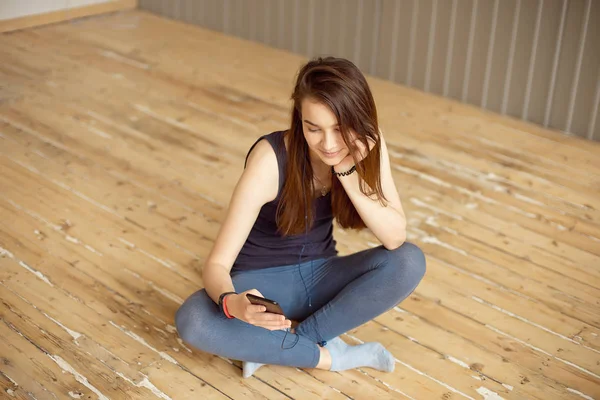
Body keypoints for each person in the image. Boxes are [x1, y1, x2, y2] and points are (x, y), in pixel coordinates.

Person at [175, 56, 426, 378]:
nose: (330, 143)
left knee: (409, 260)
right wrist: (232, 302)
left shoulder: (367, 144)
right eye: (314, 128)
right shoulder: (270, 160)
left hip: (323, 278)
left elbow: (394, 237)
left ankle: (285, 347)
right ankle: (331, 357)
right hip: (263, 283)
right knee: (193, 319)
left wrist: (346, 170)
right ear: (299, 119)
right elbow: (216, 265)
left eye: (340, 128)